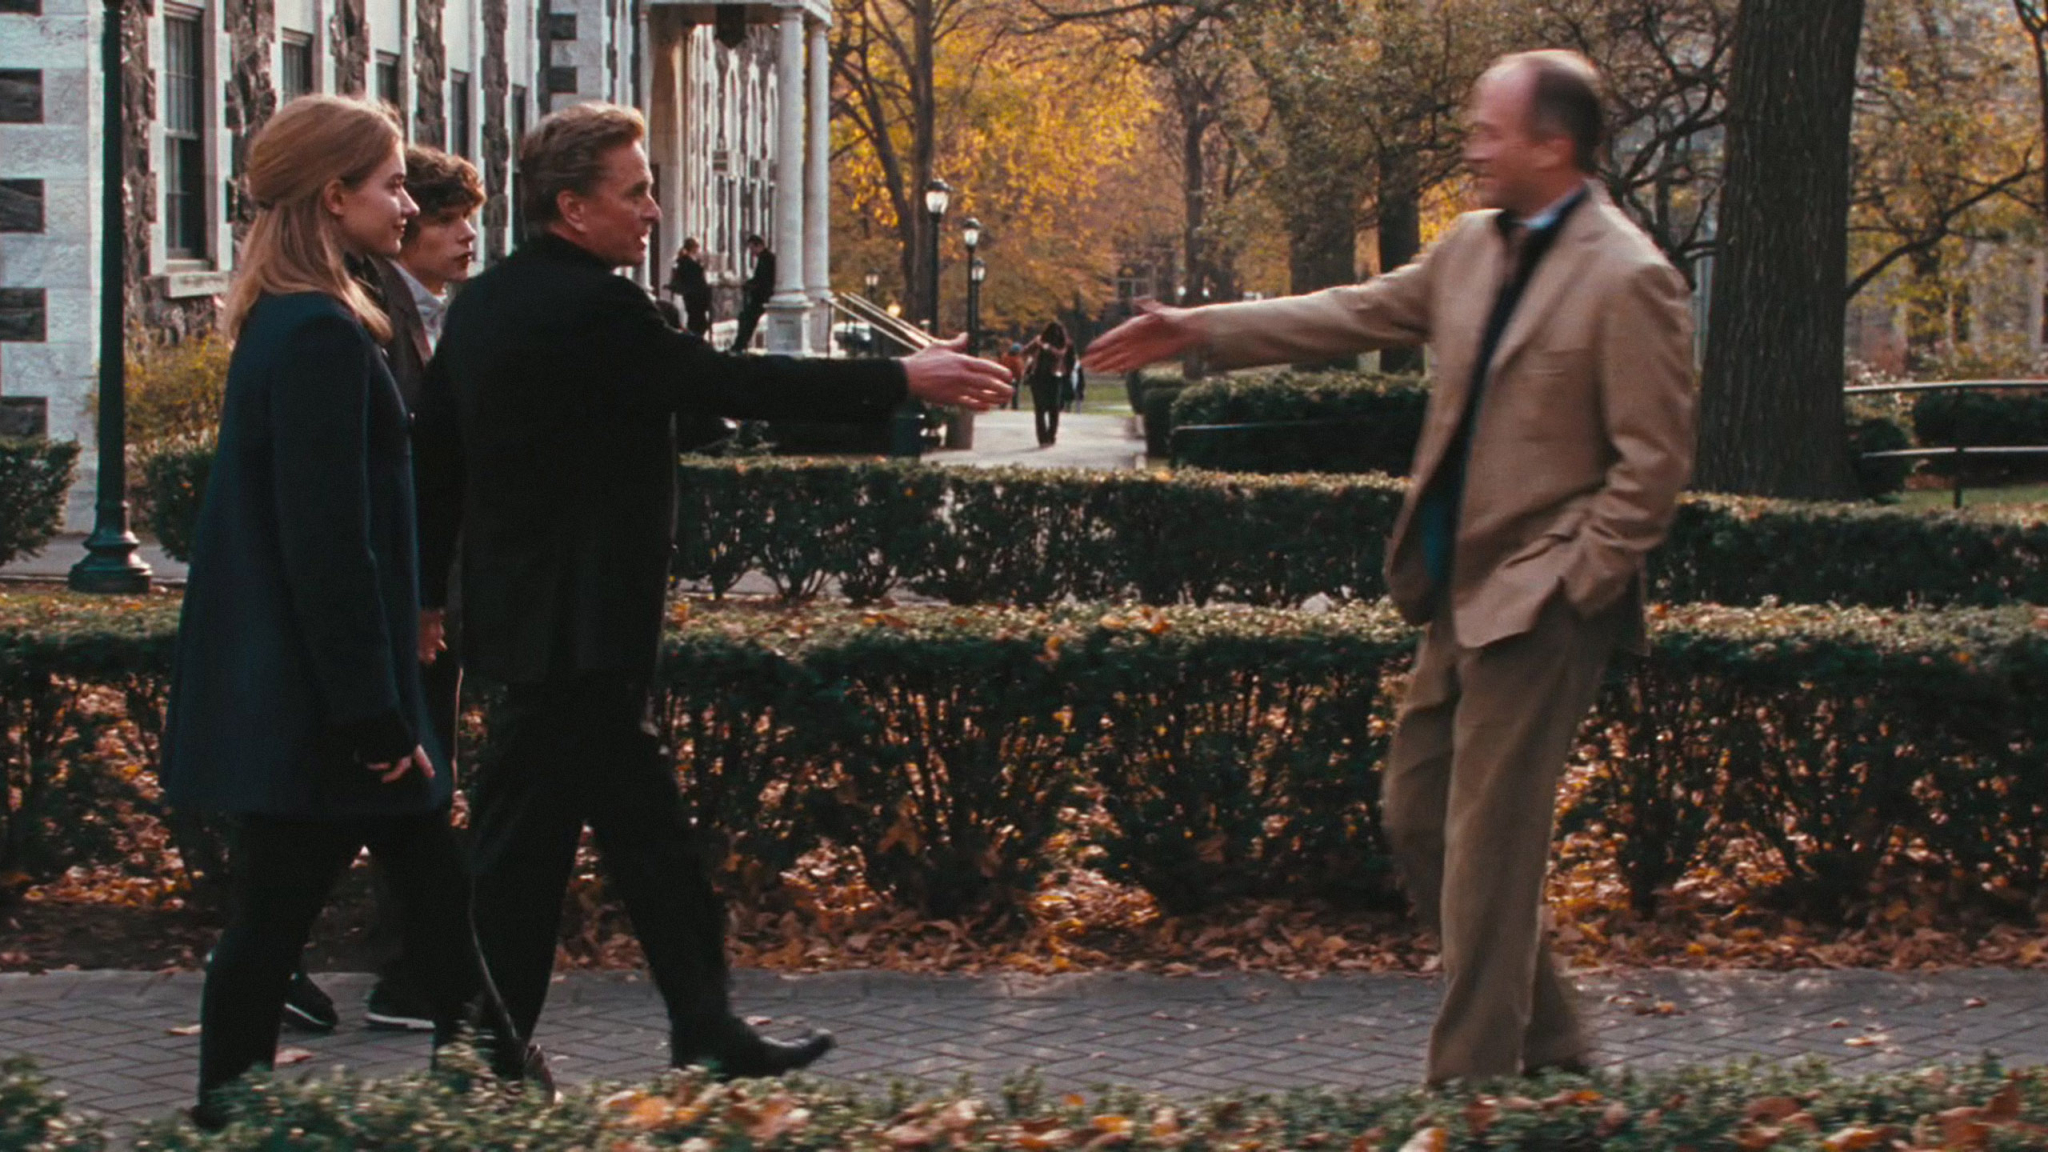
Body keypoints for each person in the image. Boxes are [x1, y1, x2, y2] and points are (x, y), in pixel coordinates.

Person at [1084, 50, 1696, 1085]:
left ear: (1553, 145)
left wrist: (1576, 579)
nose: (1471, 148)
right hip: (1455, 590)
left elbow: (1654, 463)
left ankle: (1468, 1088)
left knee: (1489, 849)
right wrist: (1197, 328)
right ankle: (1553, 1043)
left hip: (1544, 601)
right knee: (1417, 819)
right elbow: (1348, 312)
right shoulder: (1467, 248)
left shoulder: (1628, 276)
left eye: (1489, 130)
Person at [412, 102, 1011, 1079]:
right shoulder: (596, 308)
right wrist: (901, 378)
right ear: (573, 207)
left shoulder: (484, 305)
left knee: (633, 844)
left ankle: (683, 1028)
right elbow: (728, 381)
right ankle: (487, 1058)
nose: (653, 209)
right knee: (531, 858)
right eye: (636, 191)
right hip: (580, 635)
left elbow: (435, 459)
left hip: (537, 627)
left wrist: (428, 593)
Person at [159, 96, 531, 1126]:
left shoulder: (290, 321)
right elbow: (329, 546)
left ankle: (511, 1098)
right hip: (327, 706)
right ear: (334, 196)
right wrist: (374, 716)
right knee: (288, 928)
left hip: (315, 694)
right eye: (391, 185)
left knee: (416, 915)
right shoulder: (320, 333)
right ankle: (233, 1119)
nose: (407, 204)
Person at [345, 144, 487, 1034]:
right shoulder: (375, 319)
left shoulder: (432, 315)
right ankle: (416, 979)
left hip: (424, 591)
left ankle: (272, 959)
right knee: (411, 781)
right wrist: (424, 600)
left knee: (400, 785)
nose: (466, 235)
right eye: (446, 218)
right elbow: (407, 472)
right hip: (404, 598)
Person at [1026, 321, 1073, 446]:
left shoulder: (1064, 344)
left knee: (1050, 409)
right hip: (1042, 377)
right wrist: (1034, 344)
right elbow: (1025, 351)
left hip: (1050, 377)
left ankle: (1048, 436)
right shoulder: (1040, 341)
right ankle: (1046, 436)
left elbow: (1060, 354)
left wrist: (1043, 346)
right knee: (1046, 409)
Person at [728, 234, 774, 352]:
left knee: (747, 319)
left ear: (759, 246)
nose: (752, 252)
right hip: (760, 296)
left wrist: (750, 285)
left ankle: (739, 346)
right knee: (745, 318)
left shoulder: (767, 259)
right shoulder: (764, 258)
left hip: (762, 297)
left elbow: (763, 280)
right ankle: (739, 345)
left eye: (752, 248)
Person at [667, 237, 713, 337]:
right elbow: (695, 277)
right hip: (695, 295)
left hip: (695, 295)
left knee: (697, 320)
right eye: (697, 247)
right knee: (697, 321)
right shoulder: (687, 262)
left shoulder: (689, 261)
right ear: (693, 248)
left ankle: (695, 337)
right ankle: (694, 339)